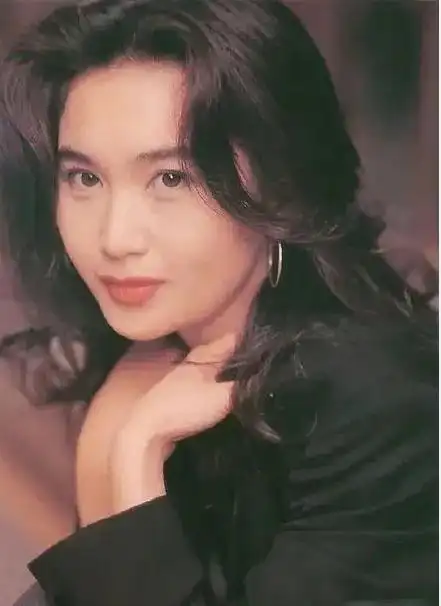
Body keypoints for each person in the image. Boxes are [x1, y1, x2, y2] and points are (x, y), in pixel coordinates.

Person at [0, 0, 437, 604]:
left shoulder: (380, 405)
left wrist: (131, 456)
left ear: (281, 180)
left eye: (172, 178)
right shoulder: (166, 344)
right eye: (85, 178)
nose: (115, 239)